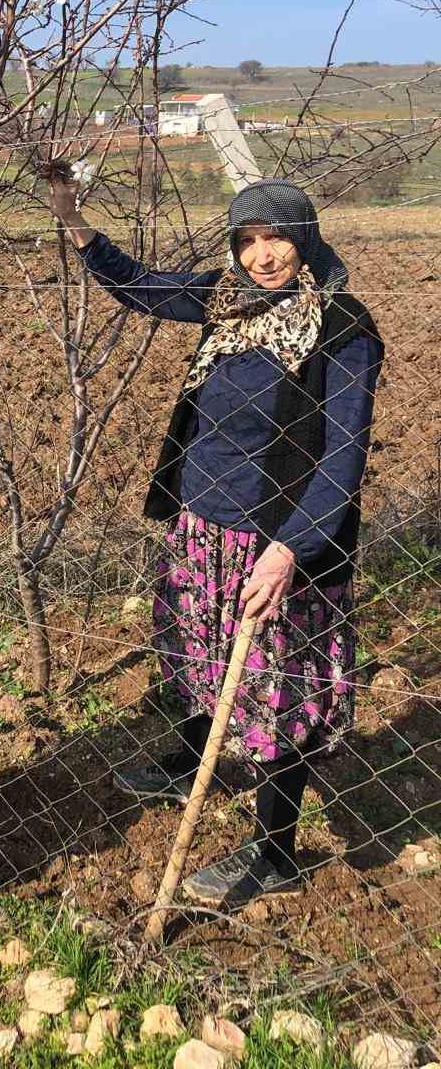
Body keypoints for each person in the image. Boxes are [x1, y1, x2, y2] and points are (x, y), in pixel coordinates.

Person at [48, 169, 383, 911]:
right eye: (248, 239)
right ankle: (189, 760)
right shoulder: (225, 301)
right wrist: (72, 217)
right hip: (204, 525)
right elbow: (138, 286)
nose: (263, 255)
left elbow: (343, 455)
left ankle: (273, 853)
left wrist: (293, 546)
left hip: (279, 540)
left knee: (278, 689)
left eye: (277, 238)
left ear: (306, 239)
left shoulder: (343, 328)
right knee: (197, 650)